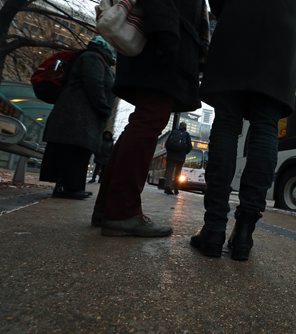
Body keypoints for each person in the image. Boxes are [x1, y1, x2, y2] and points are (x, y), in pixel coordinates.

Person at [190, 0, 296, 260]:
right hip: (278, 40)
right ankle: (244, 234)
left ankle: (213, 229)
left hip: (236, 29)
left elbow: (218, 3)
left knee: (226, 124)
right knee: (266, 127)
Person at [91, 0, 209, 237]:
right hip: (164, 42)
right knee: (150, 120)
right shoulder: (166, 36)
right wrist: (167, 36)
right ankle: (122, 212)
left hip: (160, 38)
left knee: (143, 121)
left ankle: (109, 208)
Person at [39, 35, 115, 200]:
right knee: (74, 150)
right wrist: (104, 108)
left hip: (79, 114)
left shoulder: (95, 58)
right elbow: (94, 84)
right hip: (77, 115)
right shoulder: (93, 58)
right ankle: (68, 187)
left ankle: (71, 186)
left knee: (77, 151)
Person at [164, 122, 193, 195]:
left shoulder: (174, 132)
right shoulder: (187, 134)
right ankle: (176, 188)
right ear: (185, 127)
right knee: (178, 173)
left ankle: (168, 186)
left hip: (171, 156)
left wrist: (170, 152)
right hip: (180, 157)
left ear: (179, 126)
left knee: (169, 172)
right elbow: (190, 147)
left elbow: (167, 144)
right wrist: (184, 152)